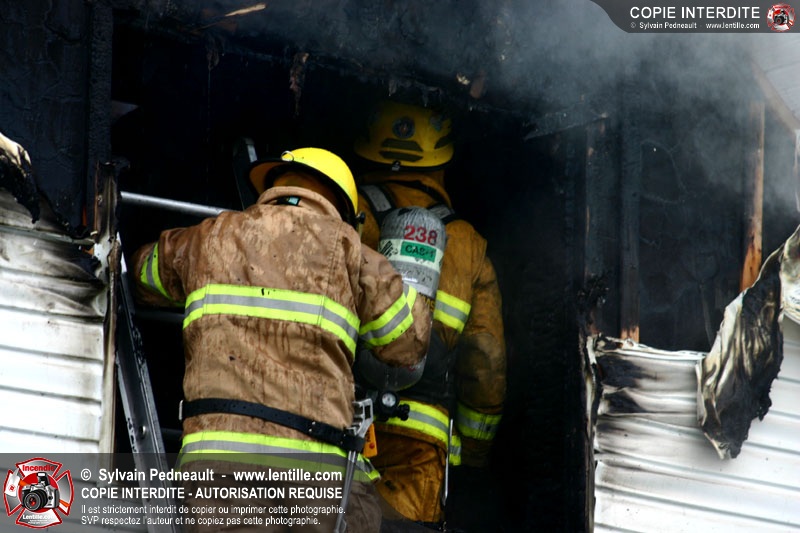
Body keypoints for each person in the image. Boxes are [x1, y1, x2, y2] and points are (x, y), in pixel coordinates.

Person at [131, 147, 432, 532]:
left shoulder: (207, 237)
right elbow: (408, 343)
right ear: (342, 206)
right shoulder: (352, 252)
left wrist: (202, 276)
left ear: (272, 187)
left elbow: (142, 274)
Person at [352, 100, 507, 527]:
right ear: (443, 161)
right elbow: (486, 359)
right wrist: (474, 453)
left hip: (341, 422)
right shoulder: (468, 243)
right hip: (419, 449)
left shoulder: (346, 214)